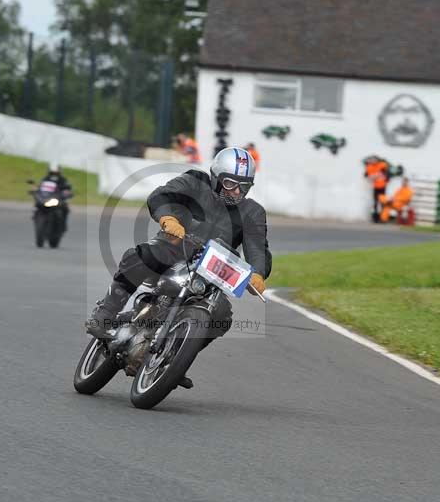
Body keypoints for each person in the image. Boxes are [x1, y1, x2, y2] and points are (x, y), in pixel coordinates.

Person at [85, 146, 272, 388]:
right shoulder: (195, 182)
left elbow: (257, 246)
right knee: (143, 256)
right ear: (216, 177)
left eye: (243, 187)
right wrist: (168, 218)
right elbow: (162, 195)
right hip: (175, 247)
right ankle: (106, 313)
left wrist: (257, 272)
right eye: (230, 184)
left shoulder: (253, 212)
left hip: (211, 272)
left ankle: (173, 359)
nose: (236, 192)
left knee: (222, 315)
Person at [39, 163, 73, 228]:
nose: (54, 174)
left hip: (58, 198)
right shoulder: (46, 178)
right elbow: (41, 187)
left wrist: (66, 192)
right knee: (38, 205)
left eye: (56, 172)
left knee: (65, 208)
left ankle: (63, 224)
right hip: (46, 197)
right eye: (52, 172)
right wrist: (37, 191)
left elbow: (67, 188)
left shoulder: (62, 179)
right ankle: (37, 216)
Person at [364, 156, 389, 222]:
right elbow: (367, 175)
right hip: (376, 187)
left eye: (374, 160)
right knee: (375, 202)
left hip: (382, 187)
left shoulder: (382, 165)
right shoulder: (370, 167)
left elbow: (384, 173)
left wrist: (376, 175)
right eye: (372, 160)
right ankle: (375, 218)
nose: (373, 161)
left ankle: (383, 218)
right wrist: (375, 176)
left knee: (383, 202)